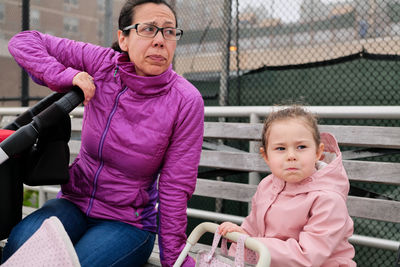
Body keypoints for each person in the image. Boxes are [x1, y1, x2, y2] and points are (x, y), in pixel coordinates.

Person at [2, 0, 204, 266]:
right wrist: (66, 76)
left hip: (128, 222)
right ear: (124, 38)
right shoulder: (101, 64)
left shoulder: (186, 101)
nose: (159, 40)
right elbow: (24, 41)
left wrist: (174, 260)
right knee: (20, 246)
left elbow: (175, 187)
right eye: (148, 29)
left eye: (168, 31)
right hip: (73, 203)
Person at [219, 106, 356, 266]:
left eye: (301, 147)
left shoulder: (328, 199)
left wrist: (249, 242)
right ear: (266, 156)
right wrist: (240, 235)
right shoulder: (267, 185)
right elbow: (252, 227)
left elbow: (307, 256)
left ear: (318, 152)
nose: (291, 156)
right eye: (280, 148)